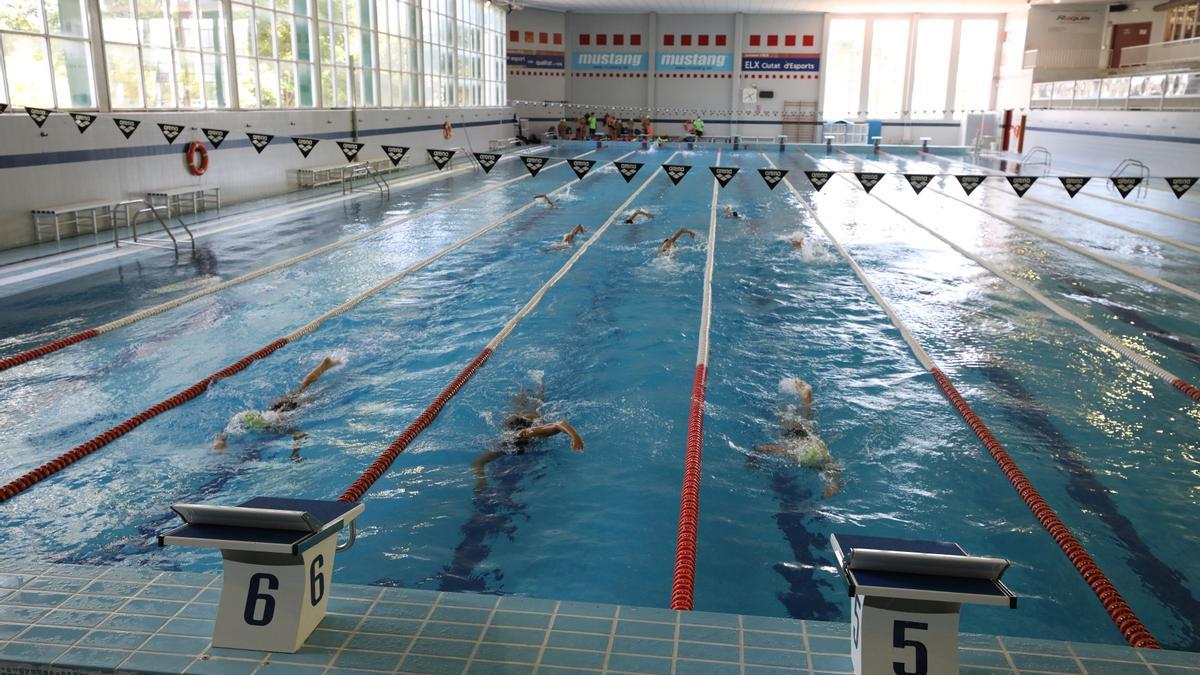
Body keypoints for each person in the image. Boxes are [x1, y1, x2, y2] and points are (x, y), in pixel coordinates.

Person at [213, 357, 343, 454]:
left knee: (318, 395)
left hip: (289, 409)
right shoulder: (244, 418)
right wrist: (220, 441)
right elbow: (225, 432)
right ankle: (324, 366)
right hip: (277, 405)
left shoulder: (275, 426)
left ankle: (329, 372)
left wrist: (295, 454)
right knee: (302, 388)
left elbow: (299, 434)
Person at [471, 384, 584, 493]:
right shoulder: (505, 445)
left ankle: (539, 388)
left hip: (530, 420)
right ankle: (524, 392)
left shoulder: (530, 432)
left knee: (539, 406)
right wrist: (481, 480)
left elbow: (560, 423)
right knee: (517, 409)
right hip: (515, 424)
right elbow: (478, 463)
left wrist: (575, 437)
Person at [753, 377, 842, 498]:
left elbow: (761, 449)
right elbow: (761, 449)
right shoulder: (803, 450)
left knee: (805, 423)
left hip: (808, 446)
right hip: (812, 446)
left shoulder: (791, 451)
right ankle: (807, 400)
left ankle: (807, 400)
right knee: (805, 424)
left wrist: (752, 461)